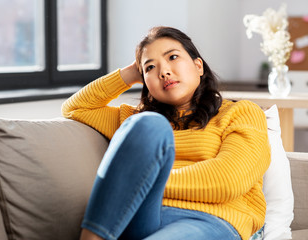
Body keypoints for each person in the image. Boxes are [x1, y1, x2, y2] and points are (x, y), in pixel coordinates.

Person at [61, 26, 271, 240]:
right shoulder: (134, 121)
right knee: (150, 124)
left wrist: (135, 184)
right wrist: (129, 73)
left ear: (198, 66)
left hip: (212, 220)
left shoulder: (241, 112)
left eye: (173, 57)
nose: (163, 71)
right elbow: (75, 108)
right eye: (150, 67)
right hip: (141, 215)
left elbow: (228, 180)